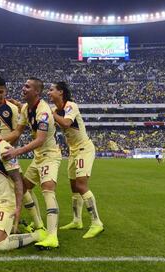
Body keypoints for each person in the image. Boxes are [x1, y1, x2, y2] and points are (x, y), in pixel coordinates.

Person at [0, 77, 44, 231]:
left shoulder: (13, 109)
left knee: (21, 187)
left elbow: (17, 132)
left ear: (5, 91)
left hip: (6, 153)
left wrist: (2, 146)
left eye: (1, 92)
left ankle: (38, 223)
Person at [3, 77, 62, 250]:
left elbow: (40, 140)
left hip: (49, 155)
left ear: (37, 91)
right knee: (24, 187)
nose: (23, 88)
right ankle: (40, 226)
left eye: (27, 86)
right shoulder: (27, 108)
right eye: (23, 85)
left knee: (48, 190)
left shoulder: (43, 112)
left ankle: (52, 237)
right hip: (38, 157)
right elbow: (17, 132)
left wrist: (16, 151)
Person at [0, 116, 46, 251]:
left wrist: (17, 208)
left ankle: (36, 235)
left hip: (5, 204)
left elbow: (18, 180)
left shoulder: (4, 148)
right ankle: (4, 228)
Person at [49, 82, 104, 239]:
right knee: (74, 187)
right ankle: (77, 220)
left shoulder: (70, 105)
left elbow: (66, 123)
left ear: (61, 92)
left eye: (51, 90)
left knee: (81, 185)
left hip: (84, 149)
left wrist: (51, 114)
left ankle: (96, 222)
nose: (49, 92)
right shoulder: (55, 110)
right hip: (73, 151)